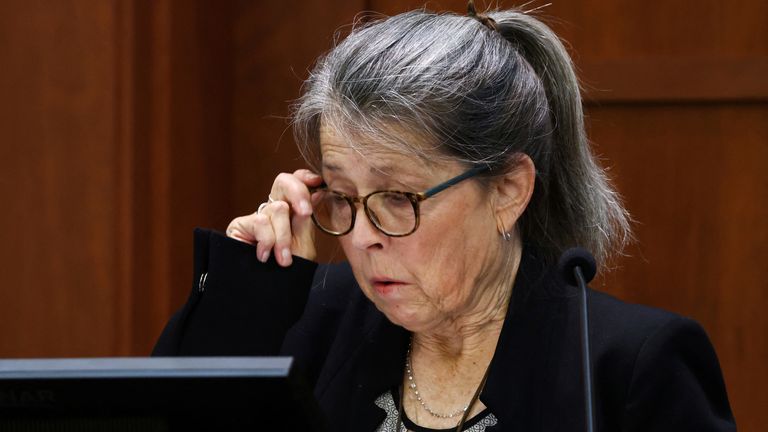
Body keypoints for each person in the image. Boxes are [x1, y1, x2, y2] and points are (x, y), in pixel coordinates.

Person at [153, 3, 736, 431]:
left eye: (398, 198)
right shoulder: (308, 318)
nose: (359, 237)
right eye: (341, 195)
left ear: (508, 190)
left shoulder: (629, 366)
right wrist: (248, 293)